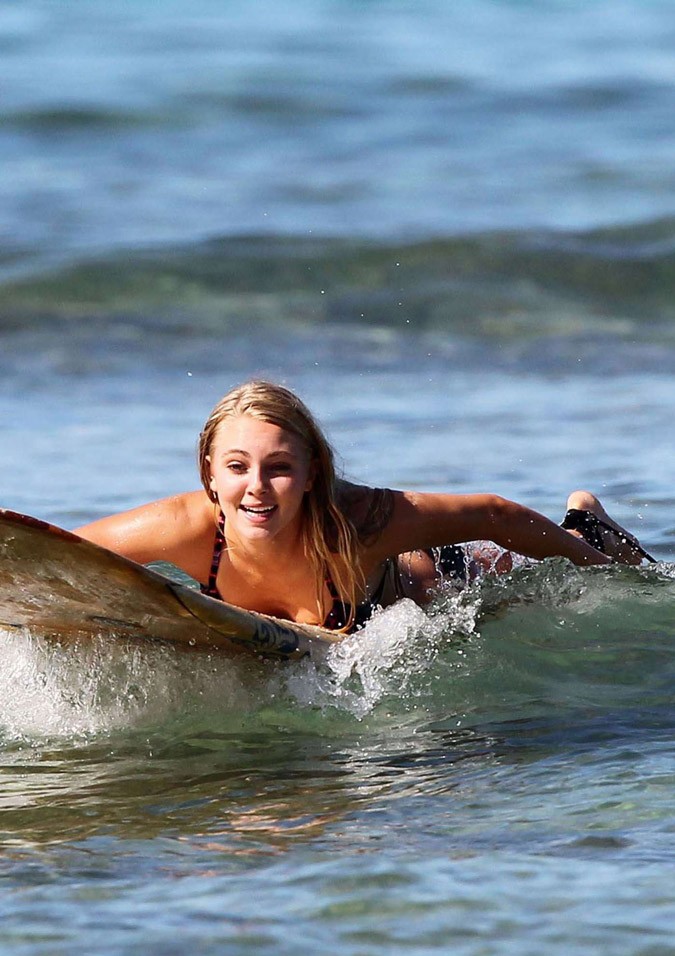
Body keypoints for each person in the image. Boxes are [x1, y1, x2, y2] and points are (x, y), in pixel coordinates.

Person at [75, 381, 653, 633]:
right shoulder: (184, 527)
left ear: (312, 474)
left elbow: (494, 515)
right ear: (208, 471)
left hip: (439, 583)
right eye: (236, 467)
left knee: (529, 590)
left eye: (279, 468)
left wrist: (608, 576)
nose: (257, 487)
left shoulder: (359, 520)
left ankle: (588, 526)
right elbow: (55, 555)